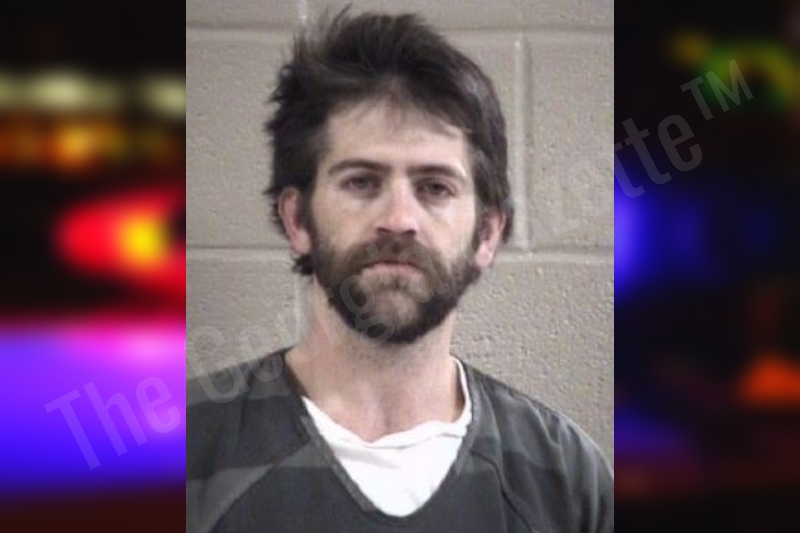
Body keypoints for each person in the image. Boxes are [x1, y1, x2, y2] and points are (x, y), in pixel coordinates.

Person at [186, 9, 613, 533]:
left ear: (486, 233)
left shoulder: (566, 478)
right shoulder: (185, 451)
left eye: (435, 187)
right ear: (298, 220)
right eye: (361, 182)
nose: (398, 219)